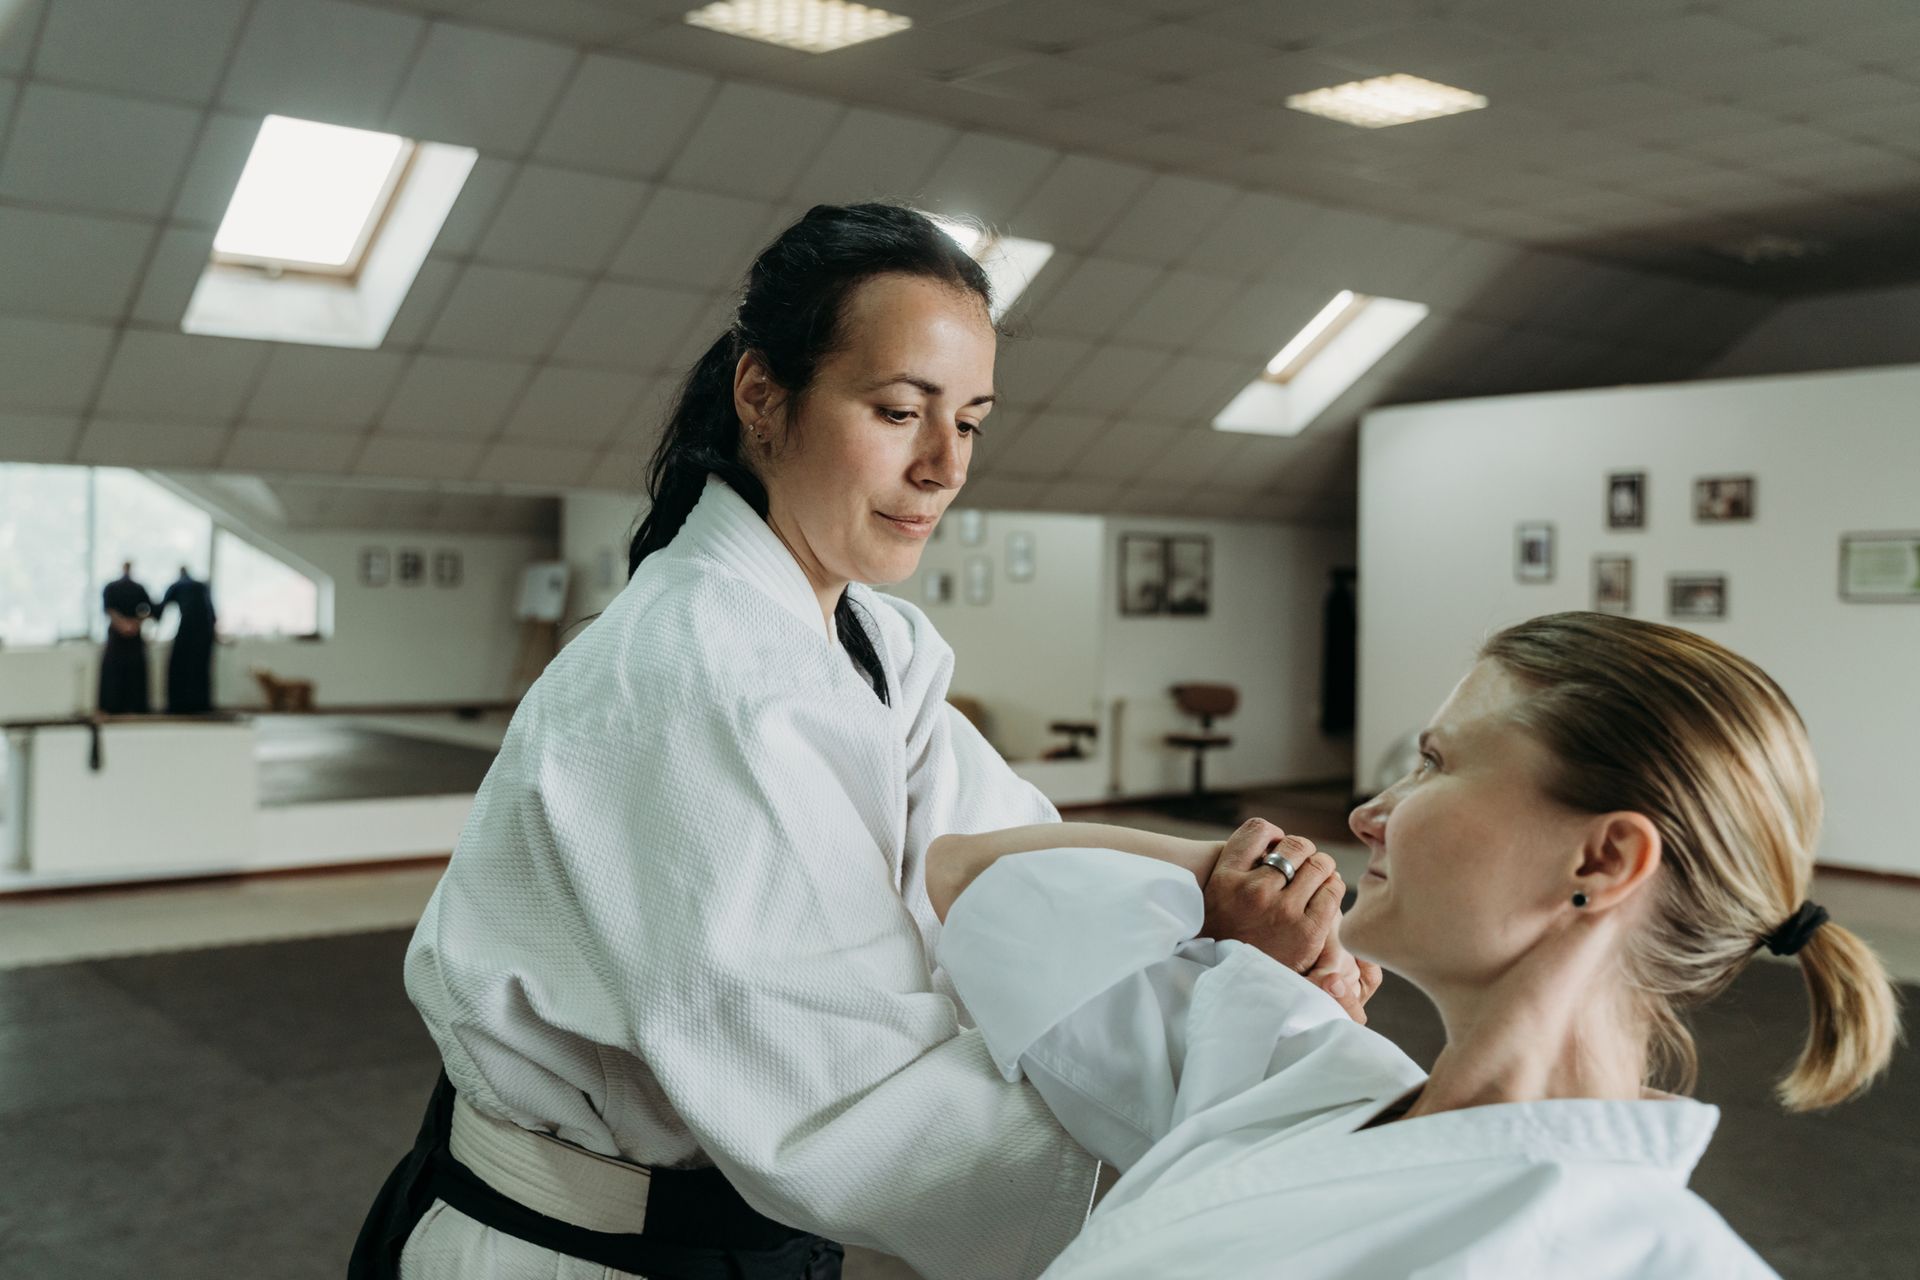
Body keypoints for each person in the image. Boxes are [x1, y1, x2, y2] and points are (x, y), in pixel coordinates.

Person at [349, 204, 1355, 1280]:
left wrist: (1222, 926)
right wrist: (1222, 1112)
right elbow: (844, 1096)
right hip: (585, 1249)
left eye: (969, 421)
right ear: (761, 396)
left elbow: (1004, 864)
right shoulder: (702, 678)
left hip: (734, 1234)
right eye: (898, 410)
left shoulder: (877, 637)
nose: (942, 465)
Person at [929, 611, 1901, 1279]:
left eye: (1433, 762)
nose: (1368, 810)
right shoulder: (1302, 1064)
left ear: (1603, 857)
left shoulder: (1650, 1253)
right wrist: (1224, 870)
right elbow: (967, 870)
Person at [155, 565, 217, 714]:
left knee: (178, 668)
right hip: (205, 633)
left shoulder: (177, 586)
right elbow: (212, 614)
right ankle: (200, 704)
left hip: (188, 630)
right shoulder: (201, 586)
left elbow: (159, 610)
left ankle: (179, 705)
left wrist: (143, 611)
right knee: (200, 669)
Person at [98, 561, 152, 715]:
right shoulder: (112, 587)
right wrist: (126, 624)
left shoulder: (138, 588)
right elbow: (109, 609)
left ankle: (132, 707)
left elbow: (147, 609)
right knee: (115, 673)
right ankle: (115, 706)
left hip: (131, 636)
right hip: (119, 636)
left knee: (134, 673)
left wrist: (132, 623)